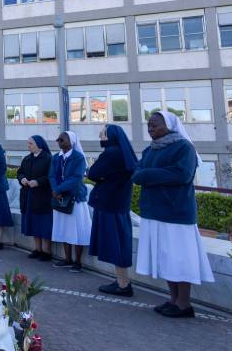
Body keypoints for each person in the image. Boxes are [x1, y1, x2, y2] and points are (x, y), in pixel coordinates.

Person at [133, 111, 214, 318]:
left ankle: (184, 304)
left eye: (155, 125)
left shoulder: (184, 147)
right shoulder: (149, 150)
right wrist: (152, 175)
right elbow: (136, 174)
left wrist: (148, 175)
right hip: (154, 211)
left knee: (180, 258)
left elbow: (182, 174)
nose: (151, 129)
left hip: (176, 213)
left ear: (169, 125)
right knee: (166, 258)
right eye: (149, 126)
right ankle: (173, 299)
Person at [88, 125, 139, 297]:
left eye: (103, 134)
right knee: (119, 243)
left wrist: (101, 176)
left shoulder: (111, 153)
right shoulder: (123, 152)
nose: (100, 137)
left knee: (116, 245)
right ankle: (121, 281)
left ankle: (123, 284)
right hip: (119, 203)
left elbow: (93, 173)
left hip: (109, 203)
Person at [50, 131, 91, 272]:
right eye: (59, 139)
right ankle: (67, 258)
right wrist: (55, 190)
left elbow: (76, 177)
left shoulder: (78, 158)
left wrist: (59, 189)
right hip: (60, 199)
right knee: (63, 228)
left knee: (77, 230)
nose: (59, 141)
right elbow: (51, 175)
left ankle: (77, 261)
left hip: (75, 198)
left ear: (71, 141)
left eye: (63, 139)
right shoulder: (56, 157)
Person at [18, 136, 54, 261]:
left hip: (43, 197)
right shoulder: (27, 159)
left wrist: (38, 182)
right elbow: (20, 172)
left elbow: (51, 177)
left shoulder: (48, 159)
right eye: (28, 143)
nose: (28, 145)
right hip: (29, 195)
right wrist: (22, 179)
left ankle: (46, 251)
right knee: (33, 224)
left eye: (31, 143)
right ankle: (37, 249)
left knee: (43, 225)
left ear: (39, 144)